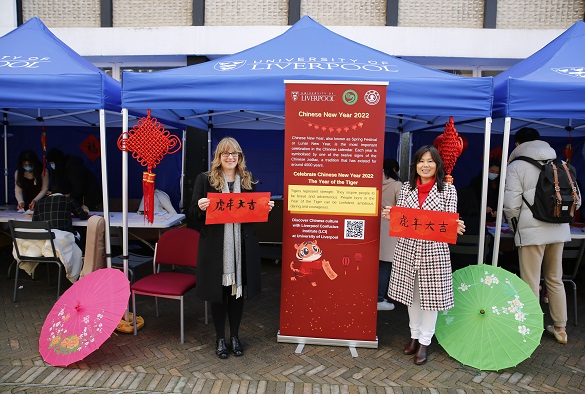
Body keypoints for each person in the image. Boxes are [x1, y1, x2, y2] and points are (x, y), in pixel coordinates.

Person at [189, 137, 274, 359]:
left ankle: (235, 336)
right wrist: (200, 207)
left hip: (241, 246)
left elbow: (253, 215)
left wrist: (266, 208)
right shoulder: (205, 180)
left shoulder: (247, 180)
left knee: (237, 294)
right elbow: (193, 215)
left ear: (240, 157)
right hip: (217, 248)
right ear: (218, 157)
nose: (230, 157)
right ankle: (220, 338)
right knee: (220, 294)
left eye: (234, 153)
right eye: (226, 153)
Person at [382, 145, 465, 365]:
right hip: (407, 249)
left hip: (434, 252)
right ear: (415, 164)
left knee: (431, 300)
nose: (425, 165)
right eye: (421, 161)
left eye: (430, 161)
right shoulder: (407, 188)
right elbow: (403, 220)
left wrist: (455, 227)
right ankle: (414, 336)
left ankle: (425, 342)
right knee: (412, 297)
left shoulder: (448, 190)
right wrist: (391, 215)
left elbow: (448, 223)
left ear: (437, 165)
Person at [503, 127, 580, 345]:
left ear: (518, 144)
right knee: (555, 279)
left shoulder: (516, 166)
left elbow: (510, 204)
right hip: (559, 230)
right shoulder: (561, 164)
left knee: (530, 281)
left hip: (531, 232)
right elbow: (576, 199)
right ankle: (560, 328)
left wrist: (515, 225)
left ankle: (531, 328)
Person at [32, 179, 89, 247]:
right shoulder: (68, 200)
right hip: (64, 239)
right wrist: (85, 209)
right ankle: (82, 256)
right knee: (82, 233)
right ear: (68, 191)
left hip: (45, 241)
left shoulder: (39, 202)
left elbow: (34, 223)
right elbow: (83, 216)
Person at [378, 158, 401, 311]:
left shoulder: (374, 183)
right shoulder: (397, 185)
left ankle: (376, 296)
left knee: (375, 265)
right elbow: (402, 210)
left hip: (374, 226)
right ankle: (379, 298)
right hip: (389, 229)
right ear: (394, 169)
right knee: (385, 266)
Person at [470, 159, 501, 223]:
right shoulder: (477, 182)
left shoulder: (501, 184)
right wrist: (482, 207)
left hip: (494, 220)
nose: (494, 174)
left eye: (497, 172)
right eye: (492, 171)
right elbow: (472, 200)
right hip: (477, 218)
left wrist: (497, 211)